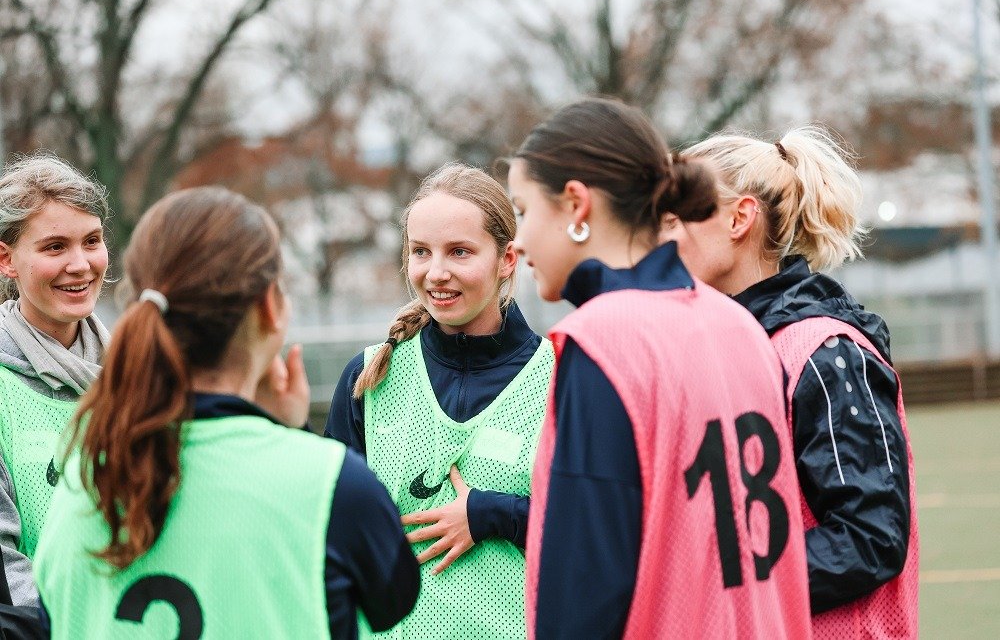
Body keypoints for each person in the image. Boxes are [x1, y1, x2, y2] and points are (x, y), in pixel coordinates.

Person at [33, 187, 419, 639]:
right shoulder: (332, 483)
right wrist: (291, 432)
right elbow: (393, 603)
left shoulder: (84, 479)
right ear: (268, 309)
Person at [508, 98, 812, 639]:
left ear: (577, 205)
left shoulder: (604, 339)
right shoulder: (739, 325)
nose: (519, 238)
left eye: (524, 210)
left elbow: (584, 589)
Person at [664, 127, 918, 637]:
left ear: (739, 218)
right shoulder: (724, 350)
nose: (658, 238)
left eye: (674, 218)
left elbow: (870, 535)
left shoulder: (824, 352)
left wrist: (720, 583)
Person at [326, 163, 553, 639]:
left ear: (507, 259)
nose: (437, 272)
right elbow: (332, 541)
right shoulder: (369, 378)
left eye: (460, 252)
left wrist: (496, 514)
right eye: (421, 252)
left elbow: (595, 536)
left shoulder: (561, 378)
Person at [0, 154, 110, 613]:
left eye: (92, 241)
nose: (81, 264)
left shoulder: (144, 376)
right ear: (6, 260)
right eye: (54, 247)